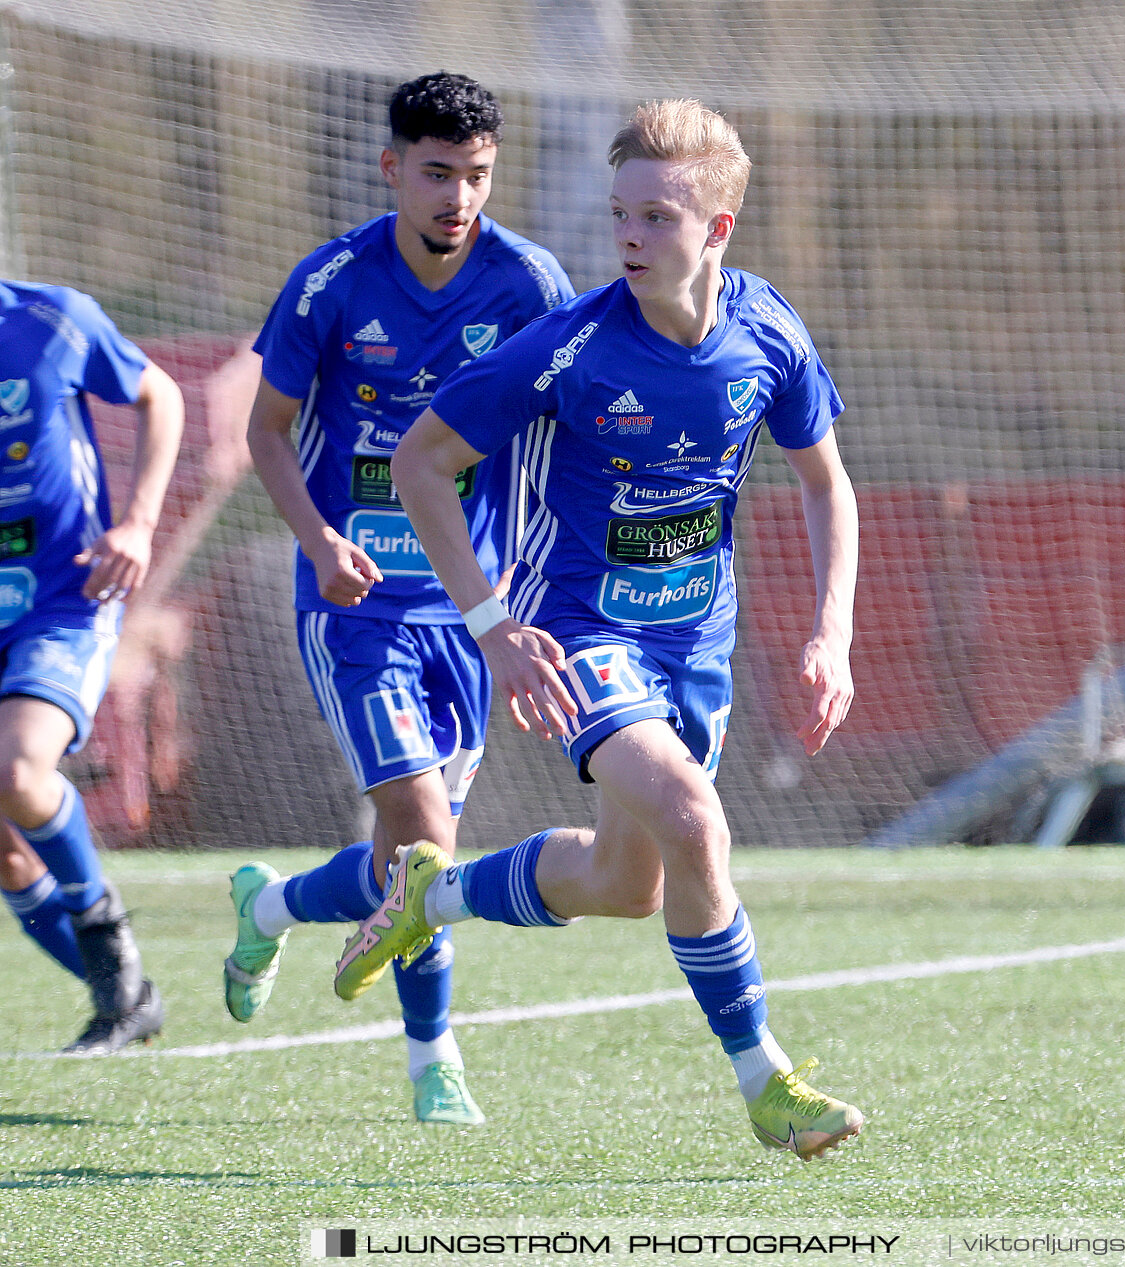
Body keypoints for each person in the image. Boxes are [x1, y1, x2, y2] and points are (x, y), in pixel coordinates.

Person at [338, 98, 864, 1158]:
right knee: (696, 817)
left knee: (629, 884)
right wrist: (492, 627)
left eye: (658, 218)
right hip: (584, 636)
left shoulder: (769, 331)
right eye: (621, 214)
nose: (630, 236)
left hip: (694, 649)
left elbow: (825, 483)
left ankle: (435, 897)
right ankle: (769, 1080)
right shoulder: (571, 346)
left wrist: (830, 631)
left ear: (716, 230)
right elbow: (420, 464)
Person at [225, 71, 575, 1125]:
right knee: (424, 839)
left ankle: (272, 904)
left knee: (408, 863)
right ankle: (435, 1062)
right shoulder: (331, 282)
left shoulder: (531, 285)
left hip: (475, 614)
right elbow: (266, 430)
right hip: (358, 607)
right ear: (392, 169)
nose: (456, 197)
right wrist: (321, 538)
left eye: (474, 176)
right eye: (435, 173)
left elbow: (562, 434)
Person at [0, 278, 185, 1054]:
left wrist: (138, 522)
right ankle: (129, 999)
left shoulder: (53, 317)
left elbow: (160, 395)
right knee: (8, 850)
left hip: (61, 597)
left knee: (17, 773)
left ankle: (108, 945)